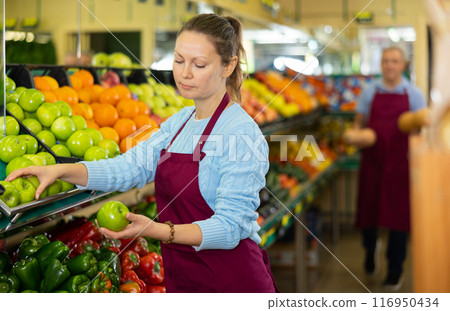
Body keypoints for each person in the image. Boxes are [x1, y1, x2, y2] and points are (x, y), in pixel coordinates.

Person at [7, 13, 278, 293]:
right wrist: (61, 170)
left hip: (233, 282)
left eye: (199, 64)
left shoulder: (241, 133)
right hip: (184, 278)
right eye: (178, 60)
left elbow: (230, 227)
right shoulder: (179, 123)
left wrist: (157, 230)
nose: (184, 73)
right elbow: (128, 168)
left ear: (228, 66)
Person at [344, 46, 426, 291]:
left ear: (403, 65)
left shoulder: (414, 95)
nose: (390, 65)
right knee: (369, 214)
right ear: (381, 64)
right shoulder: (369, 92)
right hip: (373, 164)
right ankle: (370, 249)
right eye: (386, 61)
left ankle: (394, 270)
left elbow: (420, 131)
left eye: (395, 61)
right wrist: (355, 135)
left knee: (398, 220)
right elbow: (359, 123)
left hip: (401, 167)